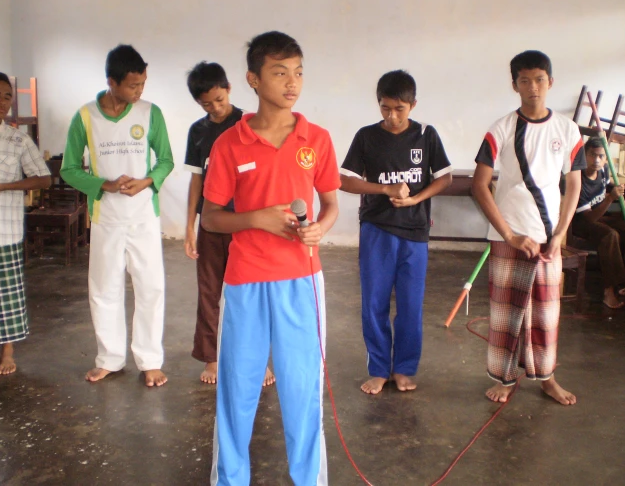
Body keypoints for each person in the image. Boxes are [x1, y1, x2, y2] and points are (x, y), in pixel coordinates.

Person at [202, 31, 339, 486]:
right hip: (244, 282)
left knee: (303, 392)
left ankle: (309, 480)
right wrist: (256, 218)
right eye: (279, 73)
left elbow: (331, 203)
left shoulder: (316, 139)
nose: (292, 82)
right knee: (238, 390)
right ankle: (230, 479)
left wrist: (322, 226)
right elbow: (211, 219)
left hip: (302, 280)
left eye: (298, 72)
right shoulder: (229, 145)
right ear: (253, 80)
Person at [472, 50, 585, 406]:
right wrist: (509, 234)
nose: (532, 87)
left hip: (548, 237)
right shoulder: (501, 128)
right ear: (514, 85)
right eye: (524, 80)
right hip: (510, 236)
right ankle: (503, 378)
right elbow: (480, 185)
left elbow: (574, 185)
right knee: (506, 312)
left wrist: (560, 234)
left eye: (539, 79)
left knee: (546, 315)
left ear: (550, 82)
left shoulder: (567, 130)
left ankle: (547, 378)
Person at [60, 44, 174, 387]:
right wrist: (103, 185)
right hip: (106, 217)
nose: (140, 91)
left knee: (151, 287)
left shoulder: (150, 113)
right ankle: (109, 358)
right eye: (133, 85)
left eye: (142, 84)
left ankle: (150, 360)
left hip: (143, 216)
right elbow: (68, 169)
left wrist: (148, 181)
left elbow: (166, 160)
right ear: (112, 82)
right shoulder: (85, 117)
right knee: (104, 288)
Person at [339, 70, 452, 395]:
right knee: (373, 302)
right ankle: (378, 368)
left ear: (413, 105)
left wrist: (416, 197)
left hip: (415, 232)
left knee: (410, 305)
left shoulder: (426, 135)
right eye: (385, 108)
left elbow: (444, 177)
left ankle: (403, 368)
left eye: (399, 109)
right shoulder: (366, 136)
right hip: (376, 229)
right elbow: (344, 179)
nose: (391, 116)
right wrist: (384, 188)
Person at [183, 61, 274, 386]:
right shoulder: (198, 131)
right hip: (211, 223)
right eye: (207, 104)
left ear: (229, 89)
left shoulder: (249, 124)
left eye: (219, 100)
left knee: (250, 293)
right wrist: (189, 227)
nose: (215, 108)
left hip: (246, 223)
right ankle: (212, 357)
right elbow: (197, 181)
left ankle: (259, 359)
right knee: (209, 290)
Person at [0, 71, 51, 375]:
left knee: (7, 296)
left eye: (7, 96)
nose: (3, 101)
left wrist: (4, 187)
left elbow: (43, 178)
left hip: (6, 230)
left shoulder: (18, 139)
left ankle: (8, 354)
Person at [571, 137, 625, 309]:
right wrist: (611, 198)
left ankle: (621, 282)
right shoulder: (578, 179)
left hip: (600, 214)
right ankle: (609, 291)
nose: (597, 160)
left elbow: (606, 185)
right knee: (610, 236)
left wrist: (622, 188)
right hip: (580, 221)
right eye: (592, 155)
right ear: (584, 155)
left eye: (601, 156)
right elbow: (589, 219)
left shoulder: (603, 169)